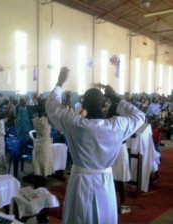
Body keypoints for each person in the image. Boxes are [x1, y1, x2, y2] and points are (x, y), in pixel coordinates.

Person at [45, 67, 145, 224]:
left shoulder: (74, 123)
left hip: (80, 181)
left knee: (78, 217)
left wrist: (60, 82)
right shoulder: (117, 126)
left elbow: (51, 105)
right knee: (103, 217)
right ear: (105, 105)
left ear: (83, 103)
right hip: (104, 181)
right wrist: (117, 99)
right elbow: (140, 116)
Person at [106, 103, 132, 214]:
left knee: (110, 177)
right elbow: (133, 134)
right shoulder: (123, 121)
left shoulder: (107, 121)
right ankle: (122, 205)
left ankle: (109, 204)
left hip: (110, 148)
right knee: (122, 177)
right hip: (121, 148)